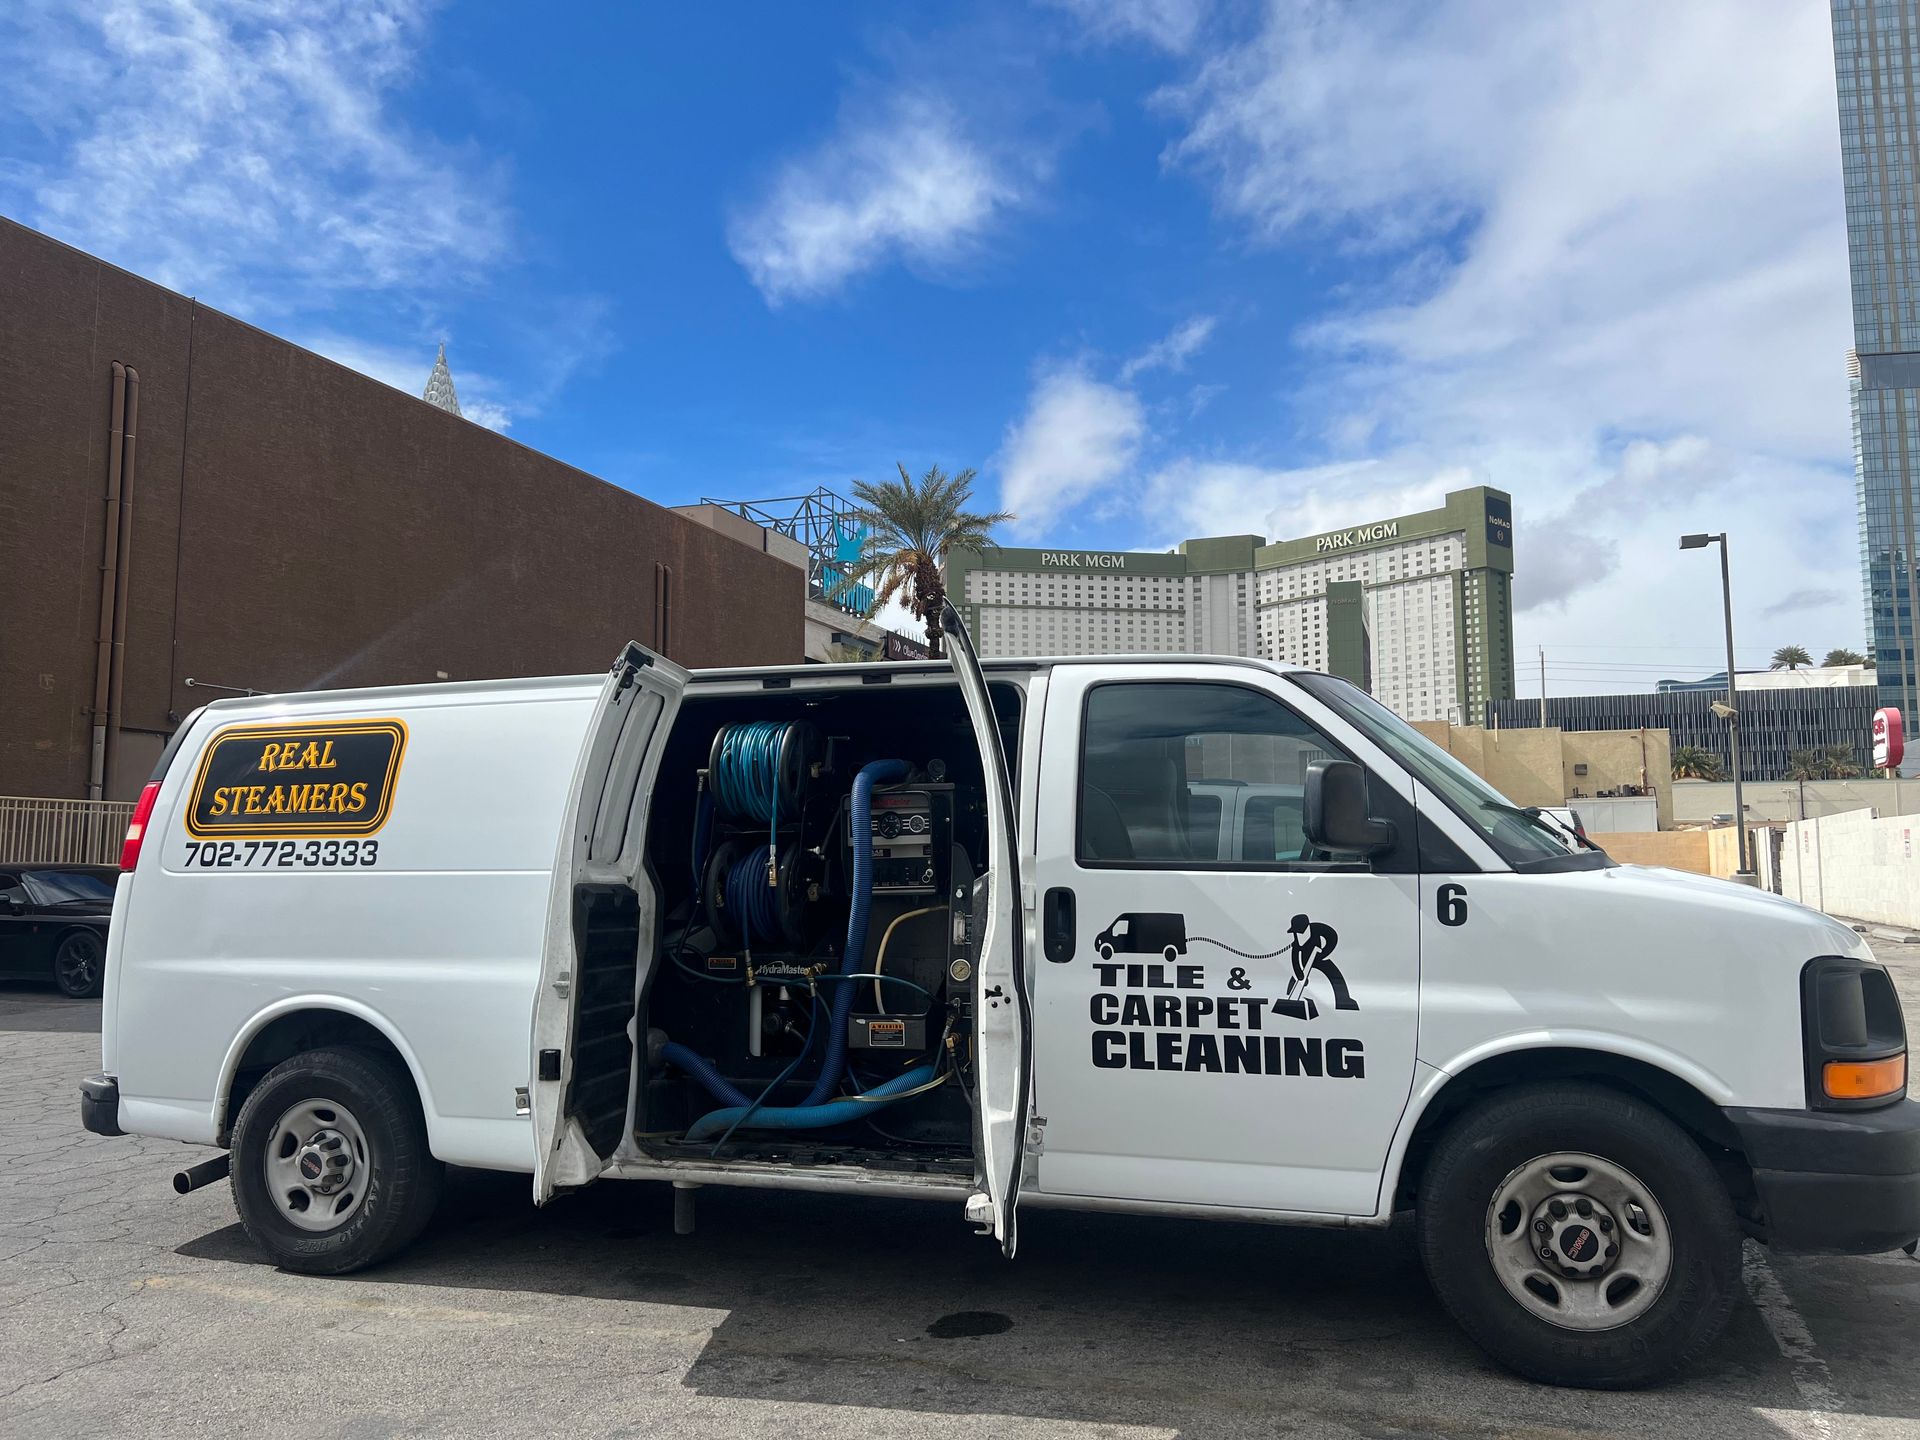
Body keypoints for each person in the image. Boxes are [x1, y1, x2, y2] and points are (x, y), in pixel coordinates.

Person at [1286, 913, 1357, 1011]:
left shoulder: (1317, 929)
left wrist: (1323, 953)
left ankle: (1344, 999)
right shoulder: (1297, 937)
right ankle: (1289, 999)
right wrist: (1299, 974)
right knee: (1295, 979)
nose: (1297, 934)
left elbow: (1332, 938)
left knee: (1334, 975)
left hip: (1320, 958)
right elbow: (1295, 957)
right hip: (1305, 961)